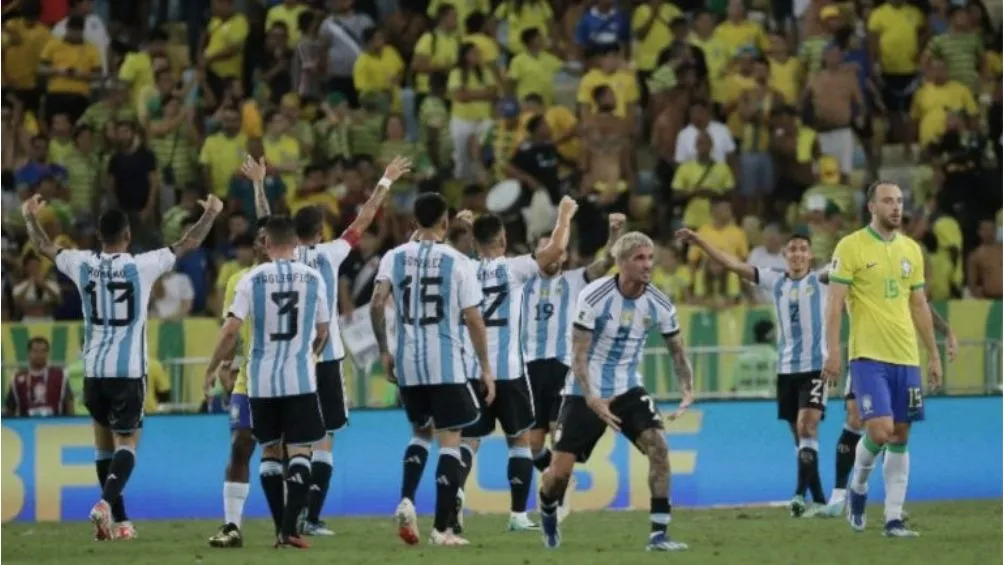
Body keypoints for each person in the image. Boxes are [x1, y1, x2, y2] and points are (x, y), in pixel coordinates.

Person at [21, 192, 222, 541]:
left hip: (94, 371)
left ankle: (121, 521)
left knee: (102, 445)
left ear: (100, 236)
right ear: (127, 236)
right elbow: (188, 242)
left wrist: (29, 216)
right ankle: (104, 505)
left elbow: (42, 246)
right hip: (127, 370)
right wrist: (211, 214)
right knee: (127, 442)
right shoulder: (144, 264)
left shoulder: (80, 262)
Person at [242, 154, 412, 536]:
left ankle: (287, 516)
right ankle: (309, 516)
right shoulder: (331, 254)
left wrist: (259, 184)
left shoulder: (277, 255)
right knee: (322, 441)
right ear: (319, 232)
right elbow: (364, 219)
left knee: (283, 443)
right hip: (327, 356)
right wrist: (384, 180)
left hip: (284, 362)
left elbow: (265, 223)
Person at [538, 231, 694, 552]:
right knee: (558, 475)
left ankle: (659, 535)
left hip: (627, 389)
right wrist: (592, 396)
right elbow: (578, 354)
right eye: (639, 258)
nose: (647, 265)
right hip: (585, 391)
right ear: (621, 263)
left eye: (650, 258)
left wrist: (687, 390)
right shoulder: (594, 296)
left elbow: (677, 350)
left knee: (660, 448)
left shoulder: (659, 303)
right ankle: (548, 505)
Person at [677, 228, 830, 516]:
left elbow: (856, 264)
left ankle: (798, 495)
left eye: (802, 249)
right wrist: (700, 242)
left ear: (810, 255)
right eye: (792, 249)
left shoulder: (821, 279)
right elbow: (732, 264)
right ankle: (819, 499)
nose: (797, 254)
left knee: (806, 427)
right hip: (786, 369)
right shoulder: (776, 280)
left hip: (815, 368)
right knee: (801, 438)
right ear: (785, 256)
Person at [370, 193, 493, 547]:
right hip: (446, 363)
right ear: (446, 221)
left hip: (408, 362)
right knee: (450, 441)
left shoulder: (394, 257)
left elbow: (377, 303)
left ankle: (407, 498)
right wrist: (485, 368)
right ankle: (442, 529)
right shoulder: (457, 262)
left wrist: (384, 350)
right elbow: (473, 318)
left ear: (414, 220)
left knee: (420, 432)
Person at [822, 181, 943, 537]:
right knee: (880, 430)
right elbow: (833, 306)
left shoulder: (911, 250)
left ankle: (893, 519)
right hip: (868, 356)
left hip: (905, 355)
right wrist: (832, 352)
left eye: (900, 201)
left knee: (902, 433)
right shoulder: (851, 246)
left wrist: (933, 354)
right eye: (888, 201)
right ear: (871, 207)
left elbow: (918, 305)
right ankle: (858, 485)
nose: (896, 207)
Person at [203, 216, 330, 549]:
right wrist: (309, 356)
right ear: (296, 243)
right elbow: (322, 332)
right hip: (299, 379)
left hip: (259, 382)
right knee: (301, 451)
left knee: (269, 451)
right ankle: (288, 528)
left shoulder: (251, 279)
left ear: (268, 243)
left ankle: (280, 530)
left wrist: (211, 367)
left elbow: (230, 330)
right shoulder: (314, 277)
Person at [454, 196, 578, 533]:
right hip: (509, 369)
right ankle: (518, 515)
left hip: (473, 371)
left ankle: (456, 496)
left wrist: (470, 229)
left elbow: (476, 253)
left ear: (473, 241)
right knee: (519, 441)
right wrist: (564, 215)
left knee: (468, 442)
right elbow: (553, 252)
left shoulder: (462, 269)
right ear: (504, 240)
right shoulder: (513, 269)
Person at [519, 213, 624, 521]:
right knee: (533, 444)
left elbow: (606, 262)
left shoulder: (576, 280)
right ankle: (561, 479)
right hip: (530, 368)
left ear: (562, 254)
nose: (548, 253)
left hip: (564, 367)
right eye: (543, 249)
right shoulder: (522, 283)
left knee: (557, 435)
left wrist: (614, 233)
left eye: (553, 248)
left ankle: (558, 489)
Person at [4, 336, 74, 417]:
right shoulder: (17, 379)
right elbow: (10, 408)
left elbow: (69, 403)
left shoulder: (60, 376)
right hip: (27, 426)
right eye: (35, 351)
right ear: (28, 353)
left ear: (48, 353)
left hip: (56, 426)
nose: (39, 355)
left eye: (43, 351)